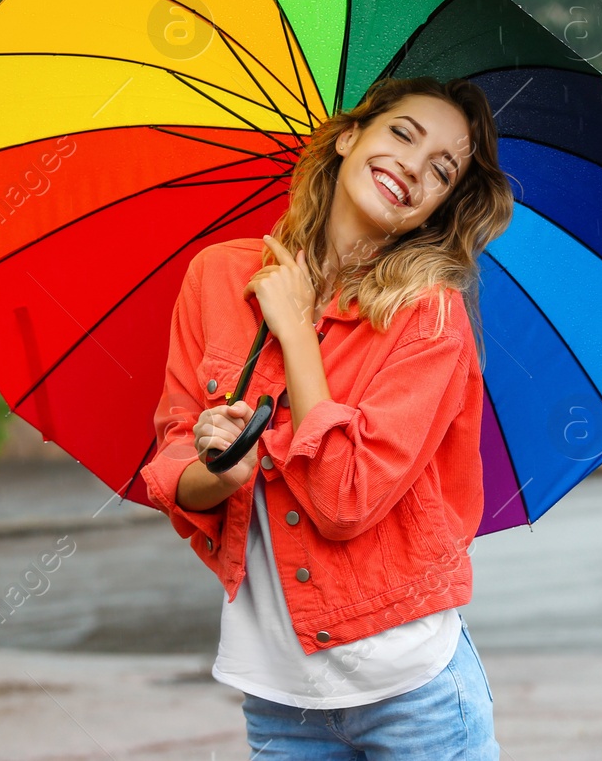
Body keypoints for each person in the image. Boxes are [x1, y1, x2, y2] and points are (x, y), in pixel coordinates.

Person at [139, 75, 515, 760]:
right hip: (280, 699)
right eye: (402, 133)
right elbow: (171, 470)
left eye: (442, 170)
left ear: (439, 207)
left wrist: (296, 332)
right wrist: (219, 468)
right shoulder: (216, 277)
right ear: (349, 137)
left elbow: (346, 497)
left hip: (414, 692)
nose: (412, 165)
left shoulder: (427, 316)